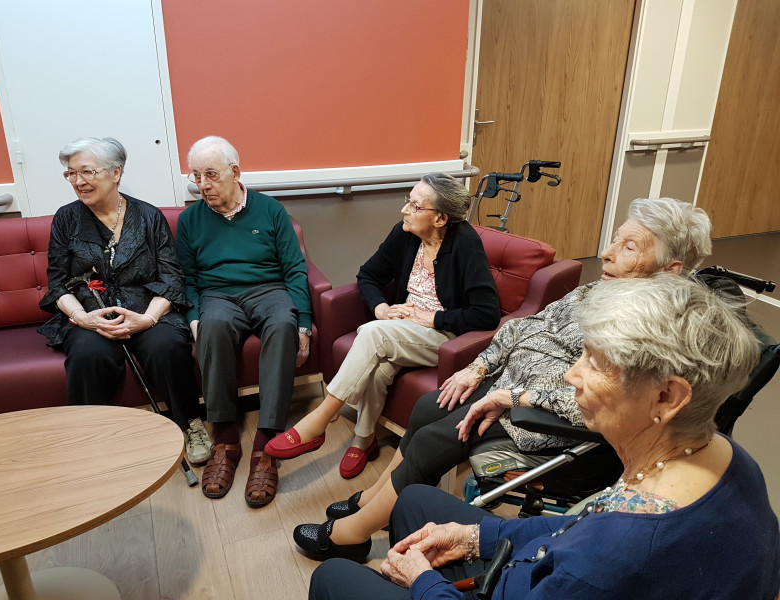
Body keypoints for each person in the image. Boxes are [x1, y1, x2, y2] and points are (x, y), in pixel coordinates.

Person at [308, 274, 780, 600]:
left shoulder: (615, 555)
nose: (572, 375)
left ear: (666, 397)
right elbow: (576, 526)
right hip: (548, 569)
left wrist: (422, 582)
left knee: (333, 579)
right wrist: (474, 536)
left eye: (595, 362)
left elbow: (589, 549)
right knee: (415, 503)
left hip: (540, 582)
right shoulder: (724, 455)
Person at [293, 197, 713, 561]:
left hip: (549, 421)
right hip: (507, 385)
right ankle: (374, 502)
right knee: (429, 406)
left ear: (670, 270)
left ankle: (355, 534)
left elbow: (611, 402)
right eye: (615, 239)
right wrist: (478, 366)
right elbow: (524, 326)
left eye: (628, 247)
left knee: (435, 439)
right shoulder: (600, 291)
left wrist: (517, 397)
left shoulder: (652, 331)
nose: (606, 253)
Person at [265, 173, 501, 479]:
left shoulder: (466, 244)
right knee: (378, 365)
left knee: (372, 334)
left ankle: (319, 421)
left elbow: (486, 314)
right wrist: (382, 307)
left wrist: (429, 317)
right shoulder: (405, 234)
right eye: (408, 201)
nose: (405, 210)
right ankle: (364, 440)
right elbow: (368, 275)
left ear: (441, 218)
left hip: (445, 336)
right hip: (402, 330)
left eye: (416, 206)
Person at [38, 137, 211, 465]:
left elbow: (172, 278)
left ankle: (189, 423)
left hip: (147, 310)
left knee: (166, 347)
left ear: (115, 173)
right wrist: (85, 319)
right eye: (70, 174)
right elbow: (57, 283)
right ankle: (91, 434)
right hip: (90, 313)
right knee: (88, 354)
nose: (77, 181)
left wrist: (146, 319)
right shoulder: (66, 219)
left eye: (86, 171)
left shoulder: (149, 217)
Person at [175, 135, 312, 507]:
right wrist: (194, 319)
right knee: (212, 327)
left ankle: (266, 442)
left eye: (211, 175)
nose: (202, 185)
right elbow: (186, 279)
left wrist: (304, 324)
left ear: (235, 173)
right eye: (196, 176)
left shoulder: (270, 211)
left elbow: (295, 270)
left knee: (283, 325)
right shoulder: (189, 221)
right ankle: (225, 437)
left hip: (269, 289)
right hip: (217, 294)